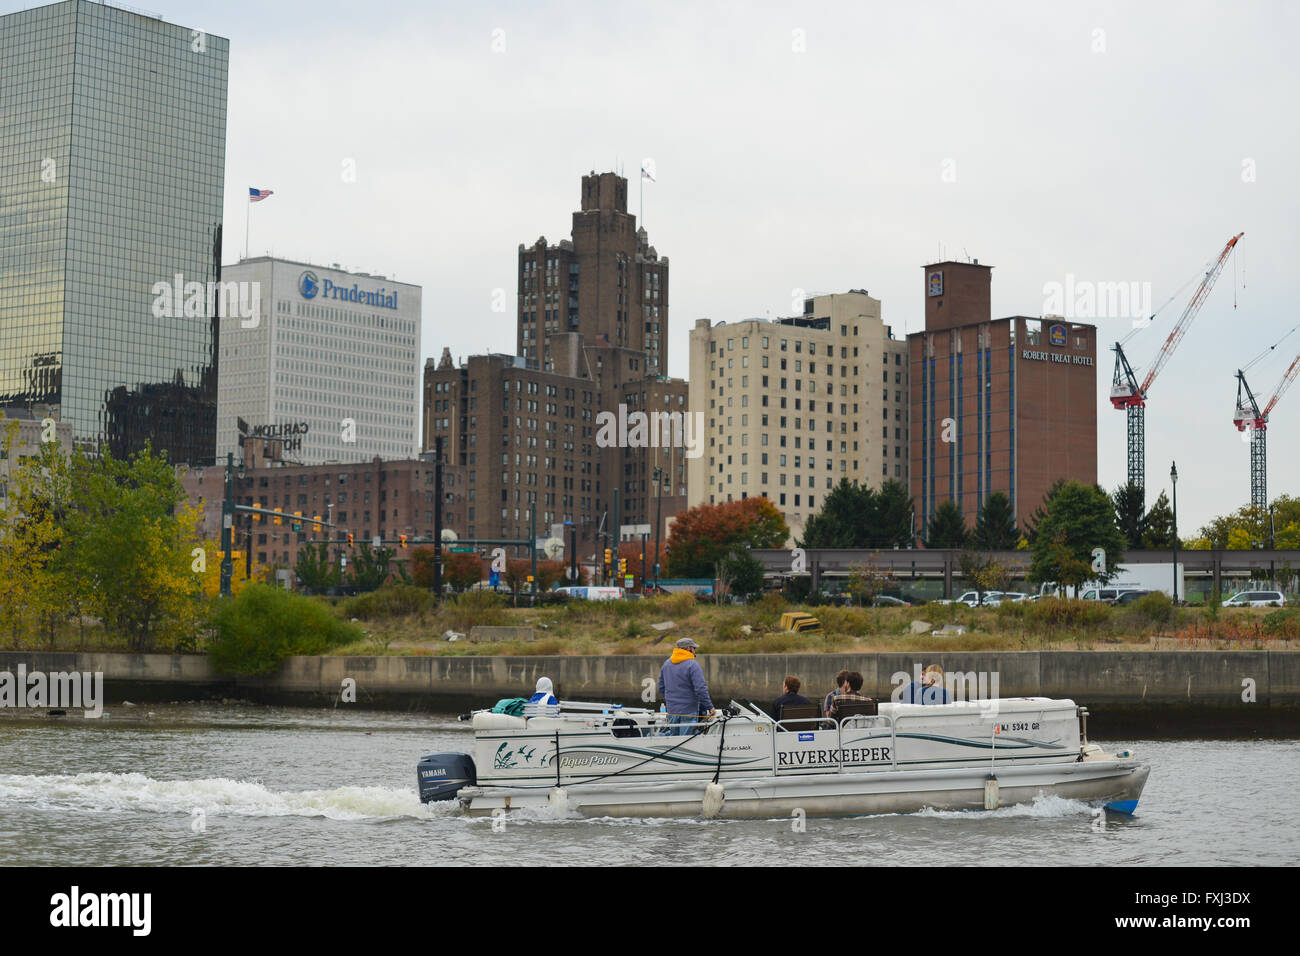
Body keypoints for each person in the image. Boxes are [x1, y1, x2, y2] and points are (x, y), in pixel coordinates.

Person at [657, 638, 715, 735]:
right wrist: (709, 707)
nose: (695, 650)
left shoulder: (667, 664)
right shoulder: (692, 665)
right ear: (689, 648)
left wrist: (671, 701)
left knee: (674, 740)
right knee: (685, 741)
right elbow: (700, 689)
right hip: (688, 711)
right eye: (694, 648)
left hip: (672, 711)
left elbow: (661, 687)